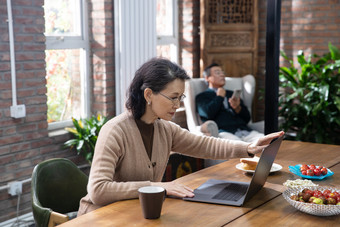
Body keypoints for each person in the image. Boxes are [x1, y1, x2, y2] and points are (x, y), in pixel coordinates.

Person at [77, 58, 284, 216]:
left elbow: (205, 145)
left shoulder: (165, 128)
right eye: (173, 98)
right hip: (99, 217)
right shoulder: (115, 130)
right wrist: (157, 187)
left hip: (137, 214)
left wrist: (248, 148)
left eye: (181, 97)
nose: (178, 105)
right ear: (148, 95)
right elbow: (98, 190)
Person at [196, 63, 264, 143]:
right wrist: (219, 97)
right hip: (224, 132)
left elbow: (247, 118)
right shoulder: (202, 96)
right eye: (218, 73)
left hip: (245, 131)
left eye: (223, 72)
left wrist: (238, 108)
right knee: (240, 148)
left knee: (267, 142)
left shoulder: (231, 94)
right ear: (207, 78)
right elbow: (207, 114)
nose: (222, 75)